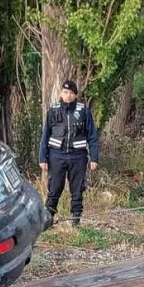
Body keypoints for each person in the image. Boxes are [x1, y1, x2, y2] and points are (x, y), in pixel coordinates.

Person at [39, 80, 100, 227]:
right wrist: (42, 157)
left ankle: (75, 219)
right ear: (61, 93)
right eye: (65, 92)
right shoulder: (53, 110)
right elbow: (45, 135)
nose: (68, 95)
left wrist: (94, 157)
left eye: (71, 93)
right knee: (54, 188)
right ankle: (49, 219)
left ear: (75, 95)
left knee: (77, 189)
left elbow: (92, 136)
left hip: (78, 156)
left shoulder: (83, 111)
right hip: (56, 155)